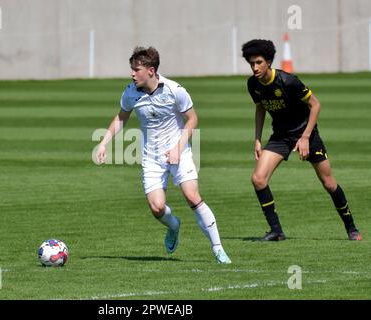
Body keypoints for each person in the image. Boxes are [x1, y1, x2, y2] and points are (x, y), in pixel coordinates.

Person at [96, 46, 231, 263]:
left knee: (192, 196)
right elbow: (121, 117)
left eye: (136, 69)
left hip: (180, 151)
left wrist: (178, 147)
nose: (132, 74)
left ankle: (218, 249)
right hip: (151, 158)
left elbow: (193, 119)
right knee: (157, 208)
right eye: (131, 69)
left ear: (150, 70)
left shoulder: (174, 90)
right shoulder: (130, 92)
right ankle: (174, 226)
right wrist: (104, 142)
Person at [241, 39, 362, 241]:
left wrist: (305, 137)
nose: (255, 67)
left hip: (306, 133)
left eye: (259, 62)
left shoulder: (288, 81)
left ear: (269, 61)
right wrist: (257, 139)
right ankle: (277, 231)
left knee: (329, 183)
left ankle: (351, 228)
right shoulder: (253, 84)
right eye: (251, 63)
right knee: (258, 179)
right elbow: (260, 107)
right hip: (281, 135)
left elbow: (315, 105)